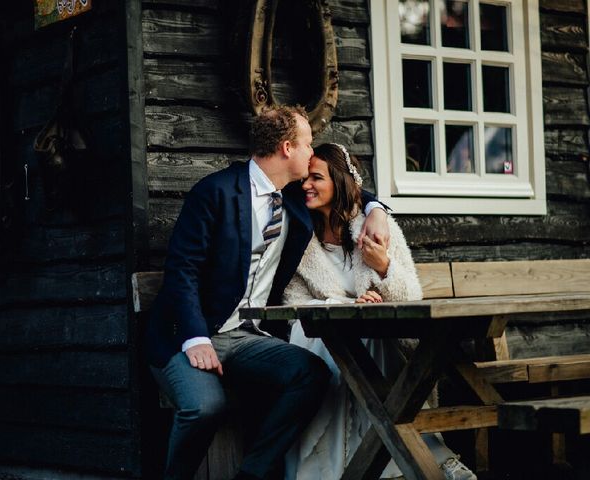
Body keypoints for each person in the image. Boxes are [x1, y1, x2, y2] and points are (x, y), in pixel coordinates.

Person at [145, 106, 391, 480]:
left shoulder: (292, 197)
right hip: (186, 333)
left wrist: (375, 208)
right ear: (287, 148)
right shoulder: (215, 193)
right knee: (206, 406)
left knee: (312, 374)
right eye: (308, 144)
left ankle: (252, 475)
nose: (313, 153)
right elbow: (182, 272)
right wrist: (196, 338)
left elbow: (347, 185)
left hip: (246, 337)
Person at [283, 143, 477, 480]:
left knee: (375, 341)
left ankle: (427, 459)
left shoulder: (375, 228)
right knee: (356, 340)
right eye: (306, 178)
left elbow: (411, 294)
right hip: (318, 337)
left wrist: (384, 266)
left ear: (340, 183)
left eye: (317, 178)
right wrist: (345, 306)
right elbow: (292, 300)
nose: (306, 185)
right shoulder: (301, 234)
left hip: (381, 338)